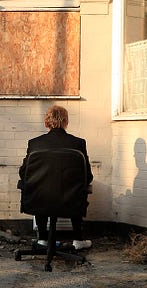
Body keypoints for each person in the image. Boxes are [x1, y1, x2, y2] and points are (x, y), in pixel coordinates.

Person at [18, 105, 93, 250]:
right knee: (76, 190)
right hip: (70, 200)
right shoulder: (78, 143)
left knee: (40, 188)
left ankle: (42, 239)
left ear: (46, 122)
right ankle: (77, 239)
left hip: (39, 200)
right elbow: (87, 176)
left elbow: (24, 174)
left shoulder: (35, 143)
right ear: (66, 122)